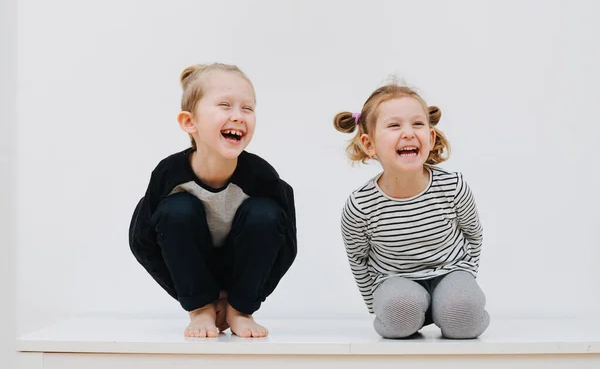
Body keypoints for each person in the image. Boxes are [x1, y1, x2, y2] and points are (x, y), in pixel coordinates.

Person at [129, 63, 297, 338]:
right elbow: (142, 241)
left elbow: (286, 245)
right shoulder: (168, 175)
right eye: (225, 105)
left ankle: (240, 314)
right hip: (192, 271)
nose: (238, 116)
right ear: (189, 122)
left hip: (243, 274)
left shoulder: (262, 177)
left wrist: (243, 302)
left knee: (265, 213)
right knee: (176, 210)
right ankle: (202, 311)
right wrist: (193, 300)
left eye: (247, 108)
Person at [334, 81, 489, 339]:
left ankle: (447, 308)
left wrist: (466, 277)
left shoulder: (453, 187)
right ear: (369, 144)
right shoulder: (360, 206)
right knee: (398, 315)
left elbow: (473, 234)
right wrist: (377, 305)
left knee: (463, 315)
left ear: (430, 137)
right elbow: (358, 258)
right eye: (394, 125)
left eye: (417, 124)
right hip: (395, 280)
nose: (408, 133)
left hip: (451, 271)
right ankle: (410, 312)